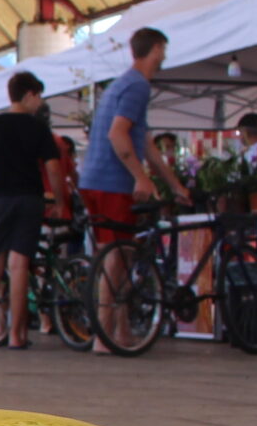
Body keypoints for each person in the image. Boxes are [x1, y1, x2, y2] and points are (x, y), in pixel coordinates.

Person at [80, 27, 190, 353]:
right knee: (116, 258)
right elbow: (119, 135)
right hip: (111, 181)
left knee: (121, 255)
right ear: (155, 49)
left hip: (94, 178)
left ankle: (122, 332)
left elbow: (144, 143)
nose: (165, 57)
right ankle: (103, 336)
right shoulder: (138, 86)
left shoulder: (123, 84)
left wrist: (173, 184)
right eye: (163, 50)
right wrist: (140, 177)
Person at [0, 71, 71, 349]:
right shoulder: (39, 129)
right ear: (28, 95)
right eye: (38, 96)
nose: (40, 103)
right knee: (20, 265)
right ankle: (17, 335)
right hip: (30, 198)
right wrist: (60, 201)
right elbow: (53, 168)